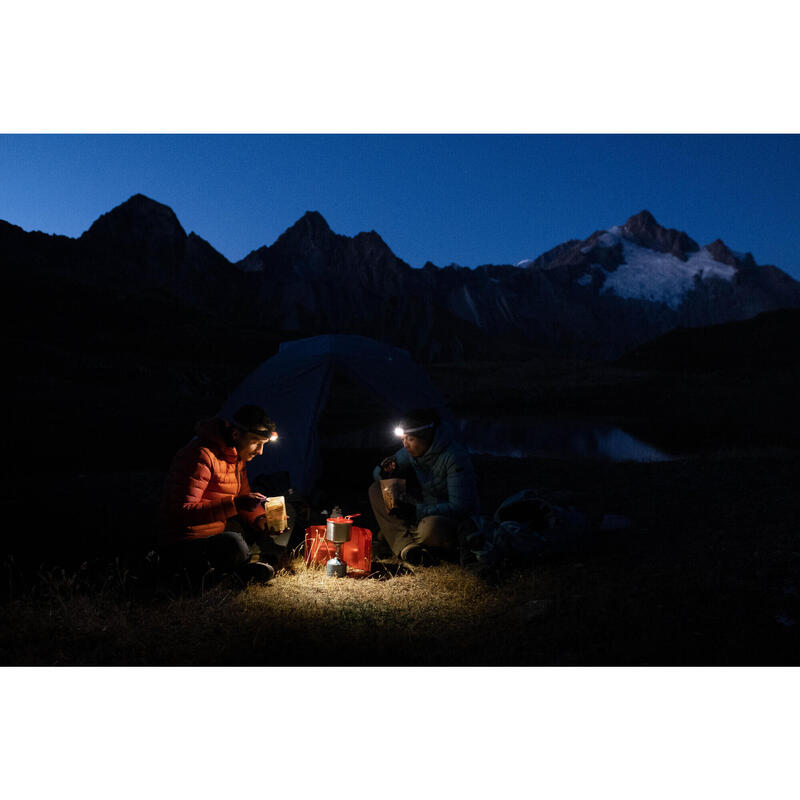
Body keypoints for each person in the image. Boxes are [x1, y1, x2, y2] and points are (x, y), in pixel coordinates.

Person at [159, 404, 291, 587]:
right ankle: (228, 573)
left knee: (286, 513)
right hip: (187, 543)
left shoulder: (237, 459)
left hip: (216, 535)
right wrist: (235, 505)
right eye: (256, 442)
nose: (260, 451)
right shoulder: (200, 454)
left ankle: (243, 567)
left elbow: (244, 499)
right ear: (236, 434)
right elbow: (182, 512)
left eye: (263, 445)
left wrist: (262, 521)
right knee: (233, 541)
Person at [367, 408, 479, 565]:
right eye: (403, 439)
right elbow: (381, 471)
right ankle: (408, 549)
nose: (405, 445)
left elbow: (462, 506)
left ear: (426, 437)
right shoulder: (411, 450)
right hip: (423, 507)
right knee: (377, 488)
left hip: (448, 518)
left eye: (410, 439)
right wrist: (383, 472)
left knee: (429, 530)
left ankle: (394, 534)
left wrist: (417, 510)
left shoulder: (454, 456)